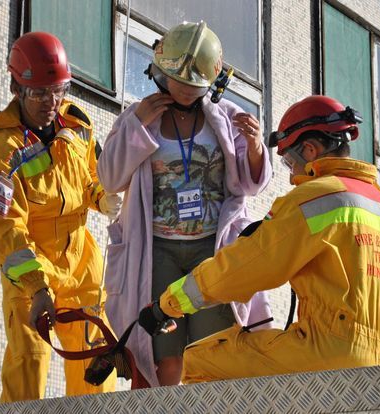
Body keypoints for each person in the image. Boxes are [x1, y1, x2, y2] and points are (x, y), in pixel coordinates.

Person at [138, 95, 380, 383]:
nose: (291, 175)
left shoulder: (314, 198)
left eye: (289, 162)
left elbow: (243, 268)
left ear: (310, 150)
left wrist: (166, 305)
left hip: (329, 354)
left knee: (199, 360)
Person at [97, 21, 273, 387]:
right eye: (179, 82)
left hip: (212, 248)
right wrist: (138, 126)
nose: (185, 91)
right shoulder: (138, 115)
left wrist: (256, 148)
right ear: (161, 71)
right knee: (164, 353)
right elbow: (111, 178)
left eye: (195, 86)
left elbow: (250, 184)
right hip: (156, 250)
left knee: (212, 349)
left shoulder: (226, 118)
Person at [0, 31, 121, 402]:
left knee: (96, 367)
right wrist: (37, 288)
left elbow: (91, 178)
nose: (51, 102)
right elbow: (5, 230)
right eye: (40, 93)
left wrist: (101, 198)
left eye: (59, 90)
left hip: (82, 264)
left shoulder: (77, 127)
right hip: (32, 267)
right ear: (16, 88)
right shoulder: (1, 149)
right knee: (31, 361)